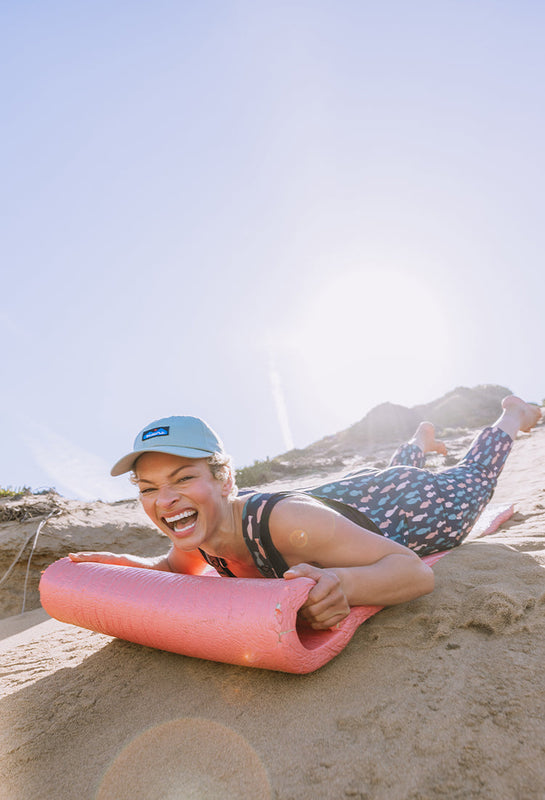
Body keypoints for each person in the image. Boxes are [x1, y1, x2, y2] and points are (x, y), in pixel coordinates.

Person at [70, 396, 541, 630]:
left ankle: (512, 415)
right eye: (148, 488)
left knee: (473, 477)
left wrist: (345, 585)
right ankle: (419, 441)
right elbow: (173, 567)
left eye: (182, 478)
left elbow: (414, 573)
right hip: (359, 492)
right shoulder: (199, 533)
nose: (165, 500)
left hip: (413, 508)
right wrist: (124, 566)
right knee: (391, 473)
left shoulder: (283, 522)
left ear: (224, 480)